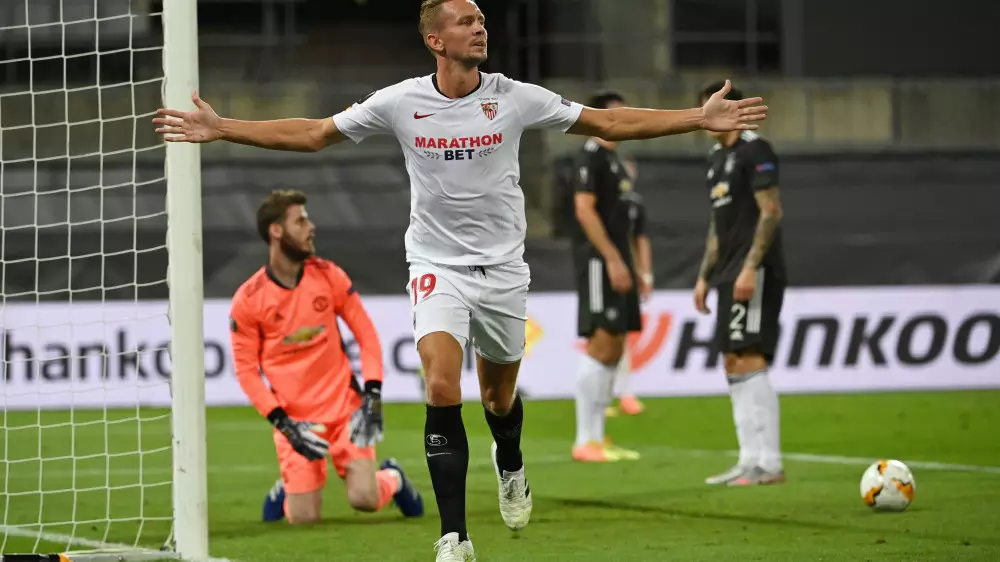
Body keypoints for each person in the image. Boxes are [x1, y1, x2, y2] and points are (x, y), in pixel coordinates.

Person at [153, 0, 767, 557]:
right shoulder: (400, 101)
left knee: (498, 399)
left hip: (503, 270)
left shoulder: (515, 97)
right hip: (435, 266)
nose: (480, 28)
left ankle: (510, 461)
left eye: (481, 20)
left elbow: (608, 124)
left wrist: (698, 117)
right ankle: (454, 537)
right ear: (435, 40)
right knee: (442, 385)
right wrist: (224, 128)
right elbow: (315, 133)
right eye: (466, 22)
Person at [228, 190, 424, 525]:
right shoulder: (248, 300)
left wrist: (372, 394)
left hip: (345, 411)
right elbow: (246, 371)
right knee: (304, 518)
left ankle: (393, 478)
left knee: (364, 499)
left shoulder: (328, 275)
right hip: (296, 421)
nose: (311, 227)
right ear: (276, 231)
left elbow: (366, 335)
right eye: (301, 221)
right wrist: (284, 424)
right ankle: (287, 490)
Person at [692, 82, 786, 487]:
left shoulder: (755, 150)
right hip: (728, 271)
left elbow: (771, 211)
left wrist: (750, 267)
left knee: (749, 355)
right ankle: (749, 460)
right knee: (732, 358)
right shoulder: (716, 159)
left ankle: (770, 463)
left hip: (755, 269)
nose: (705, 117)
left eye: (712, 107)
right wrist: (704, 276)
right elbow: (718, 226)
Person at [570, 91, 649, 463]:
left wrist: (633, 266)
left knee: (616, 344)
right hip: (599, 261)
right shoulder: (590, 156)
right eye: (616, 115)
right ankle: (585, 439)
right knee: (602, 342)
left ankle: (598, 437)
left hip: (618, 261)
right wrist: (613, 259)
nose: (623, 121)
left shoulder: (616, 160)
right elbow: (584, 210)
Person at [605, 154, 651, 419]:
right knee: (604, 336)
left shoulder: (634, 204)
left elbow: (640, 240)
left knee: (622, 335)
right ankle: (603, 395)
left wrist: (645, 274)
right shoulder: (603, 202)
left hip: (628, 275)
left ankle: (625, 393)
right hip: (605, 273)